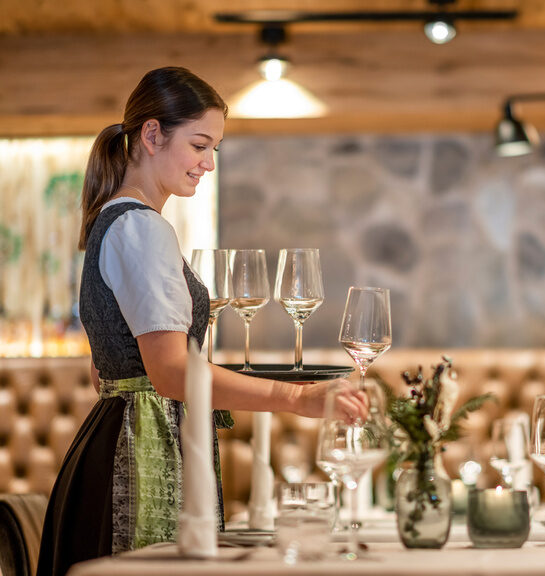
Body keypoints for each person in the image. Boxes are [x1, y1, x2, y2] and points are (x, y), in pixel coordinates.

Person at [36, 66, 367, 576]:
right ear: (152, 135)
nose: (209, 163)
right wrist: (296, 399)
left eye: (214, 149)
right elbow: (171, 373)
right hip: (141, 456)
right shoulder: (141, 228)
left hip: (116, 438)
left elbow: (108, 373)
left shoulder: (114, 220)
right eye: (199, 145)